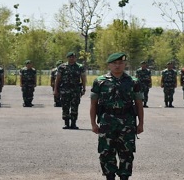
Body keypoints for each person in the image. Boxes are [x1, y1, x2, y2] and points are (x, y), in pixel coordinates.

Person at [90, 52, 144, 180]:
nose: (118, 66)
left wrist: (141, 123)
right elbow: (93, 104)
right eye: (115, 63)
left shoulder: (133, 82)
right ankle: (109, 176)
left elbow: (138, 104)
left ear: (125, 64)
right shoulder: (99, 81)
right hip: (107, 121)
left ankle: (124, 177)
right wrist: (93, 123)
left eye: (121, 63)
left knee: (127, 153)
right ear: (109, 65)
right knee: (106, 152)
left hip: (127, 121)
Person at [54, 52, 87, 129]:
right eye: (70, 57)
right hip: (64, 90)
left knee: (75, 106)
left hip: (75, 90)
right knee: (65, 106)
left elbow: (83, 78)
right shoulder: (62, 67)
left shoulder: (80, 67)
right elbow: (58, 79)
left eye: (73, 57)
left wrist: (84, 88)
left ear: (76, 58)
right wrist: (55, 89)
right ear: (67, 58)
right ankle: (66, 123)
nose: (72, 58)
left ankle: (73, 123)